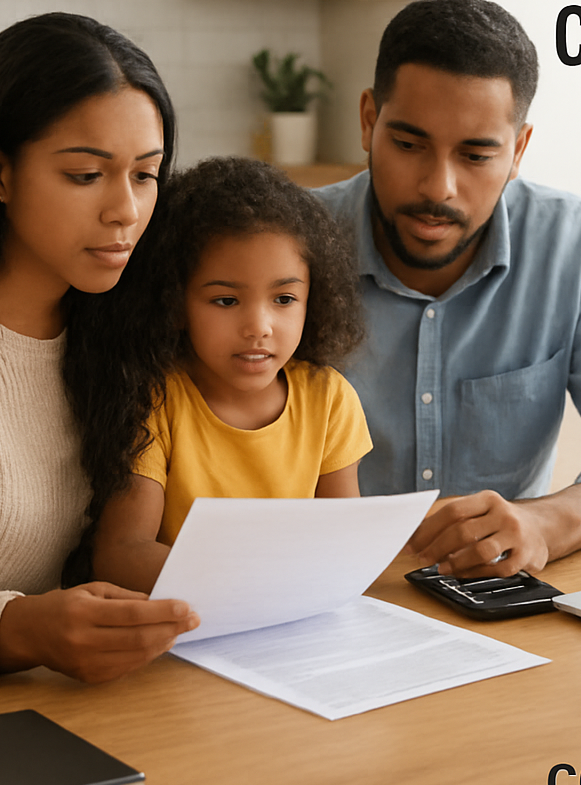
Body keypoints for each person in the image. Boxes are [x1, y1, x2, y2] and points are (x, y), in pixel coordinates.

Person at [316, 0, 581, 579]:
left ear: (518, 150)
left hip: (499, 592)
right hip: (322, 591)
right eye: (409, 145)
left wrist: (547, 522)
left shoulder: (579, 245)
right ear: (369, 121)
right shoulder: (291, 244)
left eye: (475, 155)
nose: (438, 187)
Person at [0, 12, 199, 687]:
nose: (125, 210)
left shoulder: (130, 342)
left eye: (145, 175)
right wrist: (13, 630)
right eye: (85, 174)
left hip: (55, 708)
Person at [92, 157, 371, 594]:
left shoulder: (330, 398)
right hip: (190, 622)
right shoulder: (155, 399)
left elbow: (344, 544)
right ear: (175, 304)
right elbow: (122, 554)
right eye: (226, 301)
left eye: (284, 299)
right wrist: (250, 582)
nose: (259, 327)